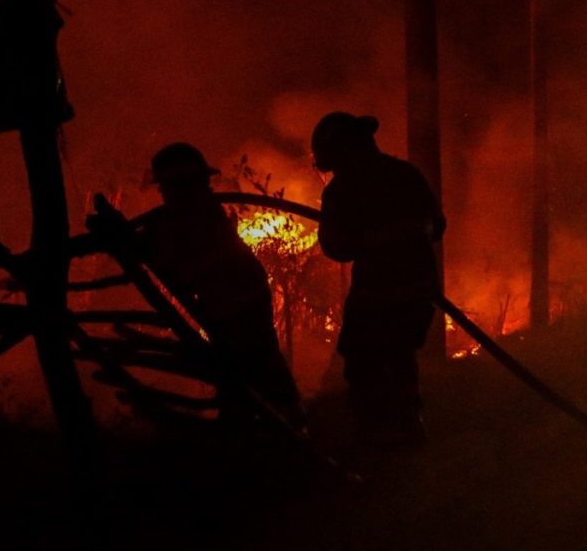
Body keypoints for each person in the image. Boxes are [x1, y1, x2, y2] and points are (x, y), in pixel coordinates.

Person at [87, 142, 306, 432]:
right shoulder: (187, 217)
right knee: (251, 371)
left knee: (252, 369)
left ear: (182, 186)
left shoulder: (197, 220)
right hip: (237, 304)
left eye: (166, 187)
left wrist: (127, 239)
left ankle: (282, 433)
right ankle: (271, 430)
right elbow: (160, 247)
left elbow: (172, 259)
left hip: (241, 306)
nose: (162, 194)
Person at [312, 112, 445, 445]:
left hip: (379, 293)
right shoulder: (404, 175)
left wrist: (375, 239)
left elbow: (336, 247)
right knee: (398, 357)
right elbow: (437, 225)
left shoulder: (343, 190)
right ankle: (406, 426)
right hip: (415, 289)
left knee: (364, 361)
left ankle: (378, 434)